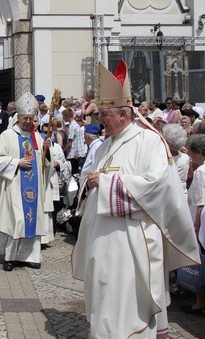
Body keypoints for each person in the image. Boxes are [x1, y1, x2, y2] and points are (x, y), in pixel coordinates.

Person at [72, 60, 200, 338]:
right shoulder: (107, 143)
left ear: (124, 114)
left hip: (131, 242)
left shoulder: (149, 141)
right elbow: (92, 177)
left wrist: (104, 182)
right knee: (104, 298)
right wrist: (90, 181)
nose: (101, 120)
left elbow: (157, 185)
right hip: (102, 240)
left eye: (105, 114)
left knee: (126, 302)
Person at [0, 92, 53, 272]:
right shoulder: (8, 135)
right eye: (25, 118)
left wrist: (47, 151)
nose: (28, 122)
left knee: (31, 222)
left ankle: (31, 257)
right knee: (16, 221)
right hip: (14, 187)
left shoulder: (37, 137)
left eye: (31, 119)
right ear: (18, 117)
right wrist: (17, 162)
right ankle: (10, 257)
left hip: (34, 189)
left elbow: (44, 164)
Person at [185, 134, 205, 313]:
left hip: (199, 222)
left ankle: (200, 302)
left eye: (191, 152)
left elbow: (200, 201)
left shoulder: (200, 172)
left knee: (200, 263)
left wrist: (196, 226)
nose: (189, 156)